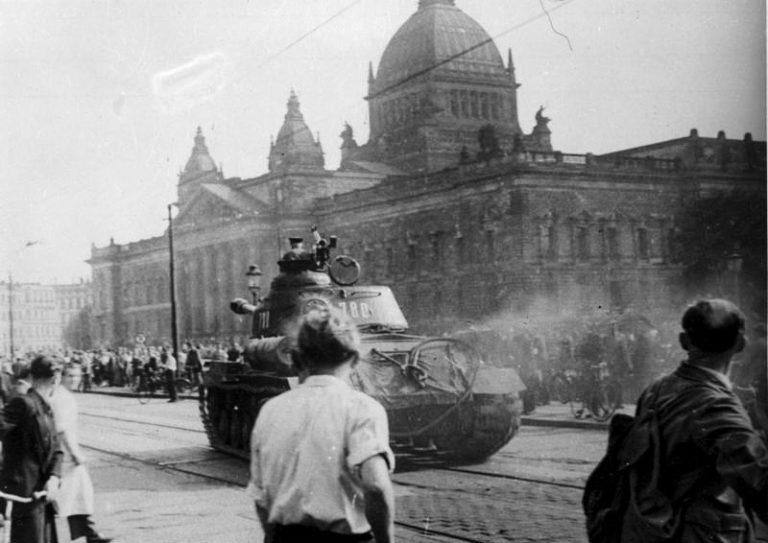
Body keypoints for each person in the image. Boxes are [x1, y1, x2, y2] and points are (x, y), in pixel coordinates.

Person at [619, 299, 767, 541]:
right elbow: (758, 480)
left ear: (684, 341)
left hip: (655, 530)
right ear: (741, 343)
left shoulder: (656, 389)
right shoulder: (716, 405)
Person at [247, 307, 395, 543]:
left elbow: (260, 497)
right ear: (354, 359)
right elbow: (376, 486)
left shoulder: (270, 410)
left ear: (298, 359)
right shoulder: (363, 408)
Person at [0, 355, 63, 543]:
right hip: (23, 497)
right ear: (55, 379)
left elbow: (57, 449)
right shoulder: (23, 404)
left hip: (42, 497)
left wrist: (54, 477)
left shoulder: (46, 408)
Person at [49, 365, 112, 543]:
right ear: (62, 376)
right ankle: (89, 534)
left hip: (65, 453)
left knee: (77, 494)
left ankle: (90, 533)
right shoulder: (62, 398)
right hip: (66, 455)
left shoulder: (64, 395)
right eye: (70, 376)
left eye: (77, 376)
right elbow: (62, 430)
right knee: (72, 495)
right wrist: (74, 453)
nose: (74, 379)